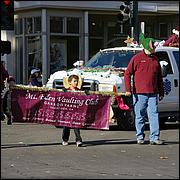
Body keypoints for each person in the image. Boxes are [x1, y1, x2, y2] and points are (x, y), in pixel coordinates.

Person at [124, 32, 164, 145]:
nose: (154, 50)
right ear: (147, 48)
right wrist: (128, 89)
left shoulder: (155, 60)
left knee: (154, 114)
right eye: (152, 48)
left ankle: (154, 137)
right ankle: (140, 137)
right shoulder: (136, 59)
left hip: (153, 93)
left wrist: (161, 92)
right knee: (140, 115)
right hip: (139, 93)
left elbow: (159, 78)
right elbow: (127, 74)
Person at [61, 74, 83, 147]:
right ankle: (65, 139)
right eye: (74, 81)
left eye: (76, 81)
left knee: (76, 126)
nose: (76, 83)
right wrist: (63, 92)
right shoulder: (66, 90)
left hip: (76, 111)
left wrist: (86, 93)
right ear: (70, 82)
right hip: (68, 111)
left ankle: (78, 140)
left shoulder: (79, 91)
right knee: (66, 126)